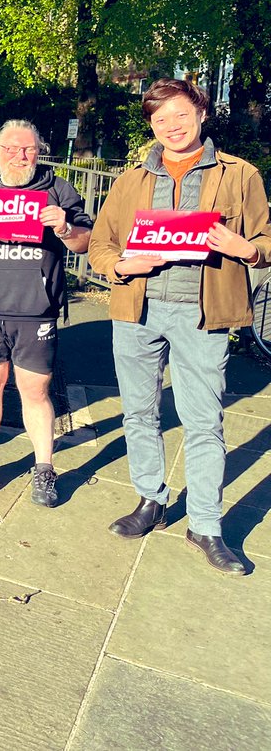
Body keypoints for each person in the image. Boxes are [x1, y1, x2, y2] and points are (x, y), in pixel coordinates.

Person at [88, 78, 271, 575]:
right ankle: (151, 499)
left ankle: (206, 525)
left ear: (202, 113)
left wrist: (245, 249)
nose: (171, 126)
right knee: (139, 413)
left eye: (181, 114)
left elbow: (265, 238)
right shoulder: (130, 181)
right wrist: (124, 265)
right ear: (151, 124)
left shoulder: (239, 174)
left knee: (203, 420)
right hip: (136, 312)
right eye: (160, 118)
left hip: (203, 314)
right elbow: (101, 245)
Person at [0, 120, 93, 506]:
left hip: (34, 311)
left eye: (27, 149)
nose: (19, 156)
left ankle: (44, 468)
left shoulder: (58, 189)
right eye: (10, 148)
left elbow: (85, 243)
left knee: (35, 391)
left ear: (38, 151)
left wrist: (63, 226)